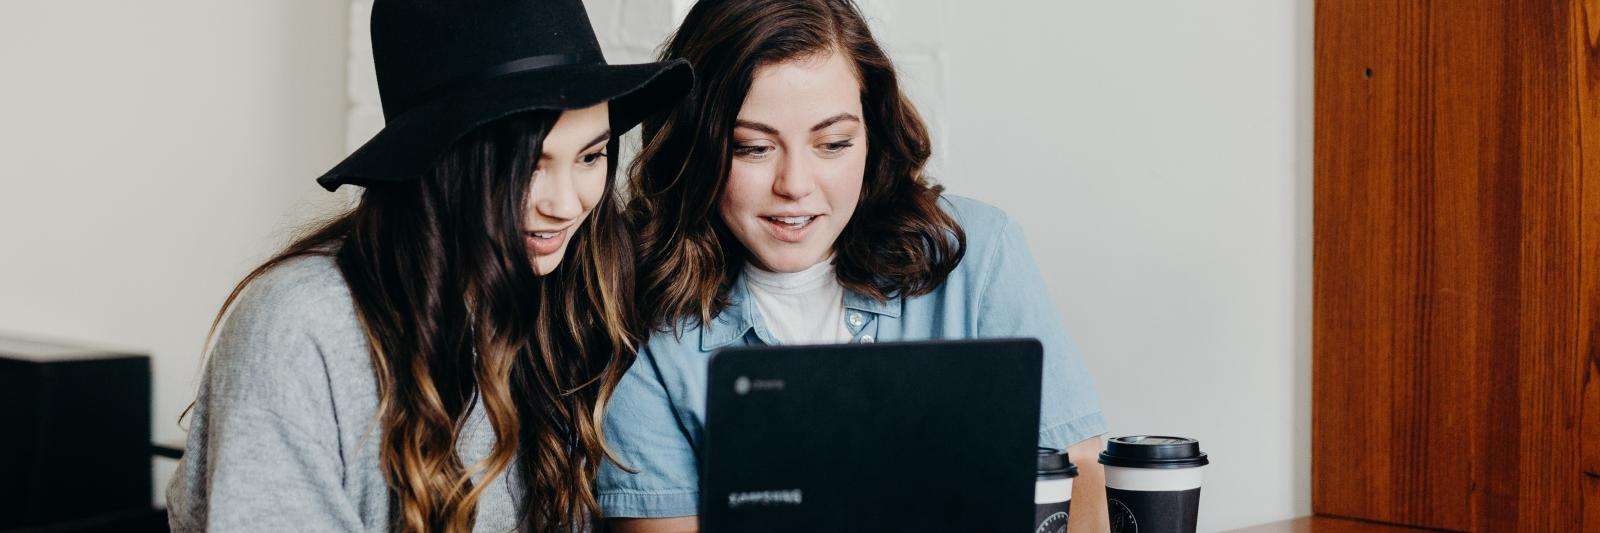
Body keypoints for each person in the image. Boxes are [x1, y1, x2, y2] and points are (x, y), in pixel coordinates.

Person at [165, 1, 691, 531]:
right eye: (528, 165)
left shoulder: (574, 300)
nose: (567, 203)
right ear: (439, 160)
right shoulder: (303, 326)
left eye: (590, 157)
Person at [599, 0, 1108, 531]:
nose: (795, 185)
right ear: (694, 147)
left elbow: (1078, 492)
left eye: (833, 143)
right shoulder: (639, 314)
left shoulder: (977, 253)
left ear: (873, 135)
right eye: (752, 148)